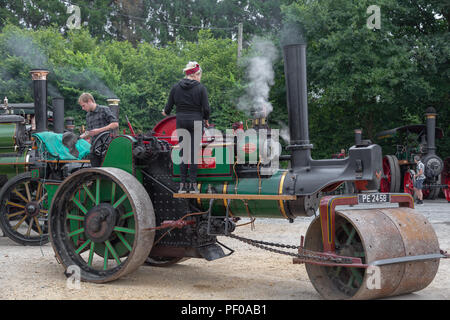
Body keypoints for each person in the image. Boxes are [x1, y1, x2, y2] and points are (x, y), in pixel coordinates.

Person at [162, 61, 210, 194]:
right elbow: (206, 108)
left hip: (181, 121)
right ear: (196, 74)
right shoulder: (201, 88)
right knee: (194, 153)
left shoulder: (176, 87)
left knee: (183, 152)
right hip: (196, 121)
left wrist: (165, 112)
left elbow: (168, 108)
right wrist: (206, 119)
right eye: (200, 75)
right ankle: (193, 185)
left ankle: (182, 186)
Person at [78, 93, 119, 166]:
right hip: (94, 150)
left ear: (89, 101)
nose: (82, 108)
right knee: (95, 173)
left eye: (83, 105)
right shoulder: (88, 115)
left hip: (106, 148)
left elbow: (115, 124)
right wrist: (78, 138)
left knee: (106, 172)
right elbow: (89, 132)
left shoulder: (104, 109)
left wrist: (98, 130)